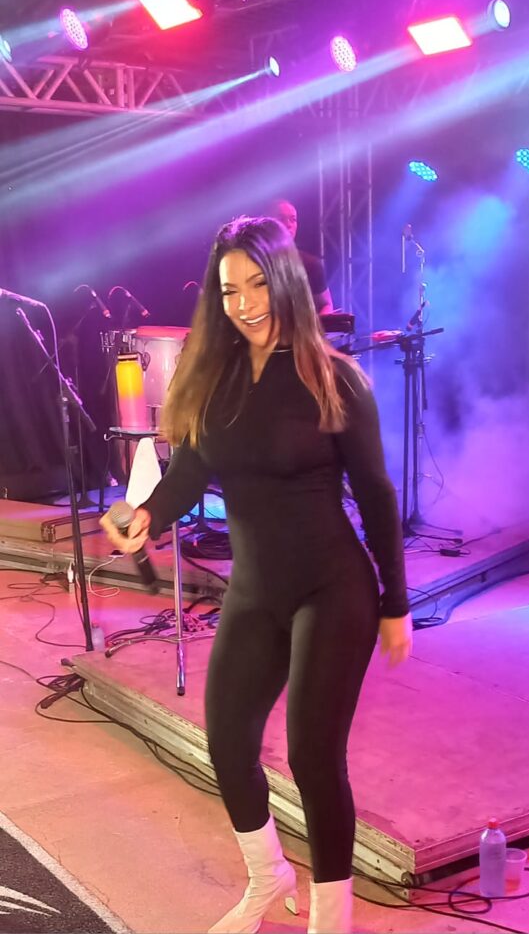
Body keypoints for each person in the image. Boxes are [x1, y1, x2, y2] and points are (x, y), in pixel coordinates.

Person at [101, 216, 412, 934]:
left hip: (333, 588)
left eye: (257, 285)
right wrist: (144, 515)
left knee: (312, 755)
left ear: (286, 283)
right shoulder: (212, 380)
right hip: (255, 589)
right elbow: (186, 478)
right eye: (229, 290)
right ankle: (269, 876)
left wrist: (395, 603)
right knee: (227, 741)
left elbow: (376, 495)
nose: (244, 303)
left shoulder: (335, 379)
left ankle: (331, 919)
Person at [271, 198, 334, 315]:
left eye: (293, 219)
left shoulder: (311, 265)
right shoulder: (254, 262)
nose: (288, 224)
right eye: (281, 218)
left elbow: (326, 304)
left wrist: (317, 324)